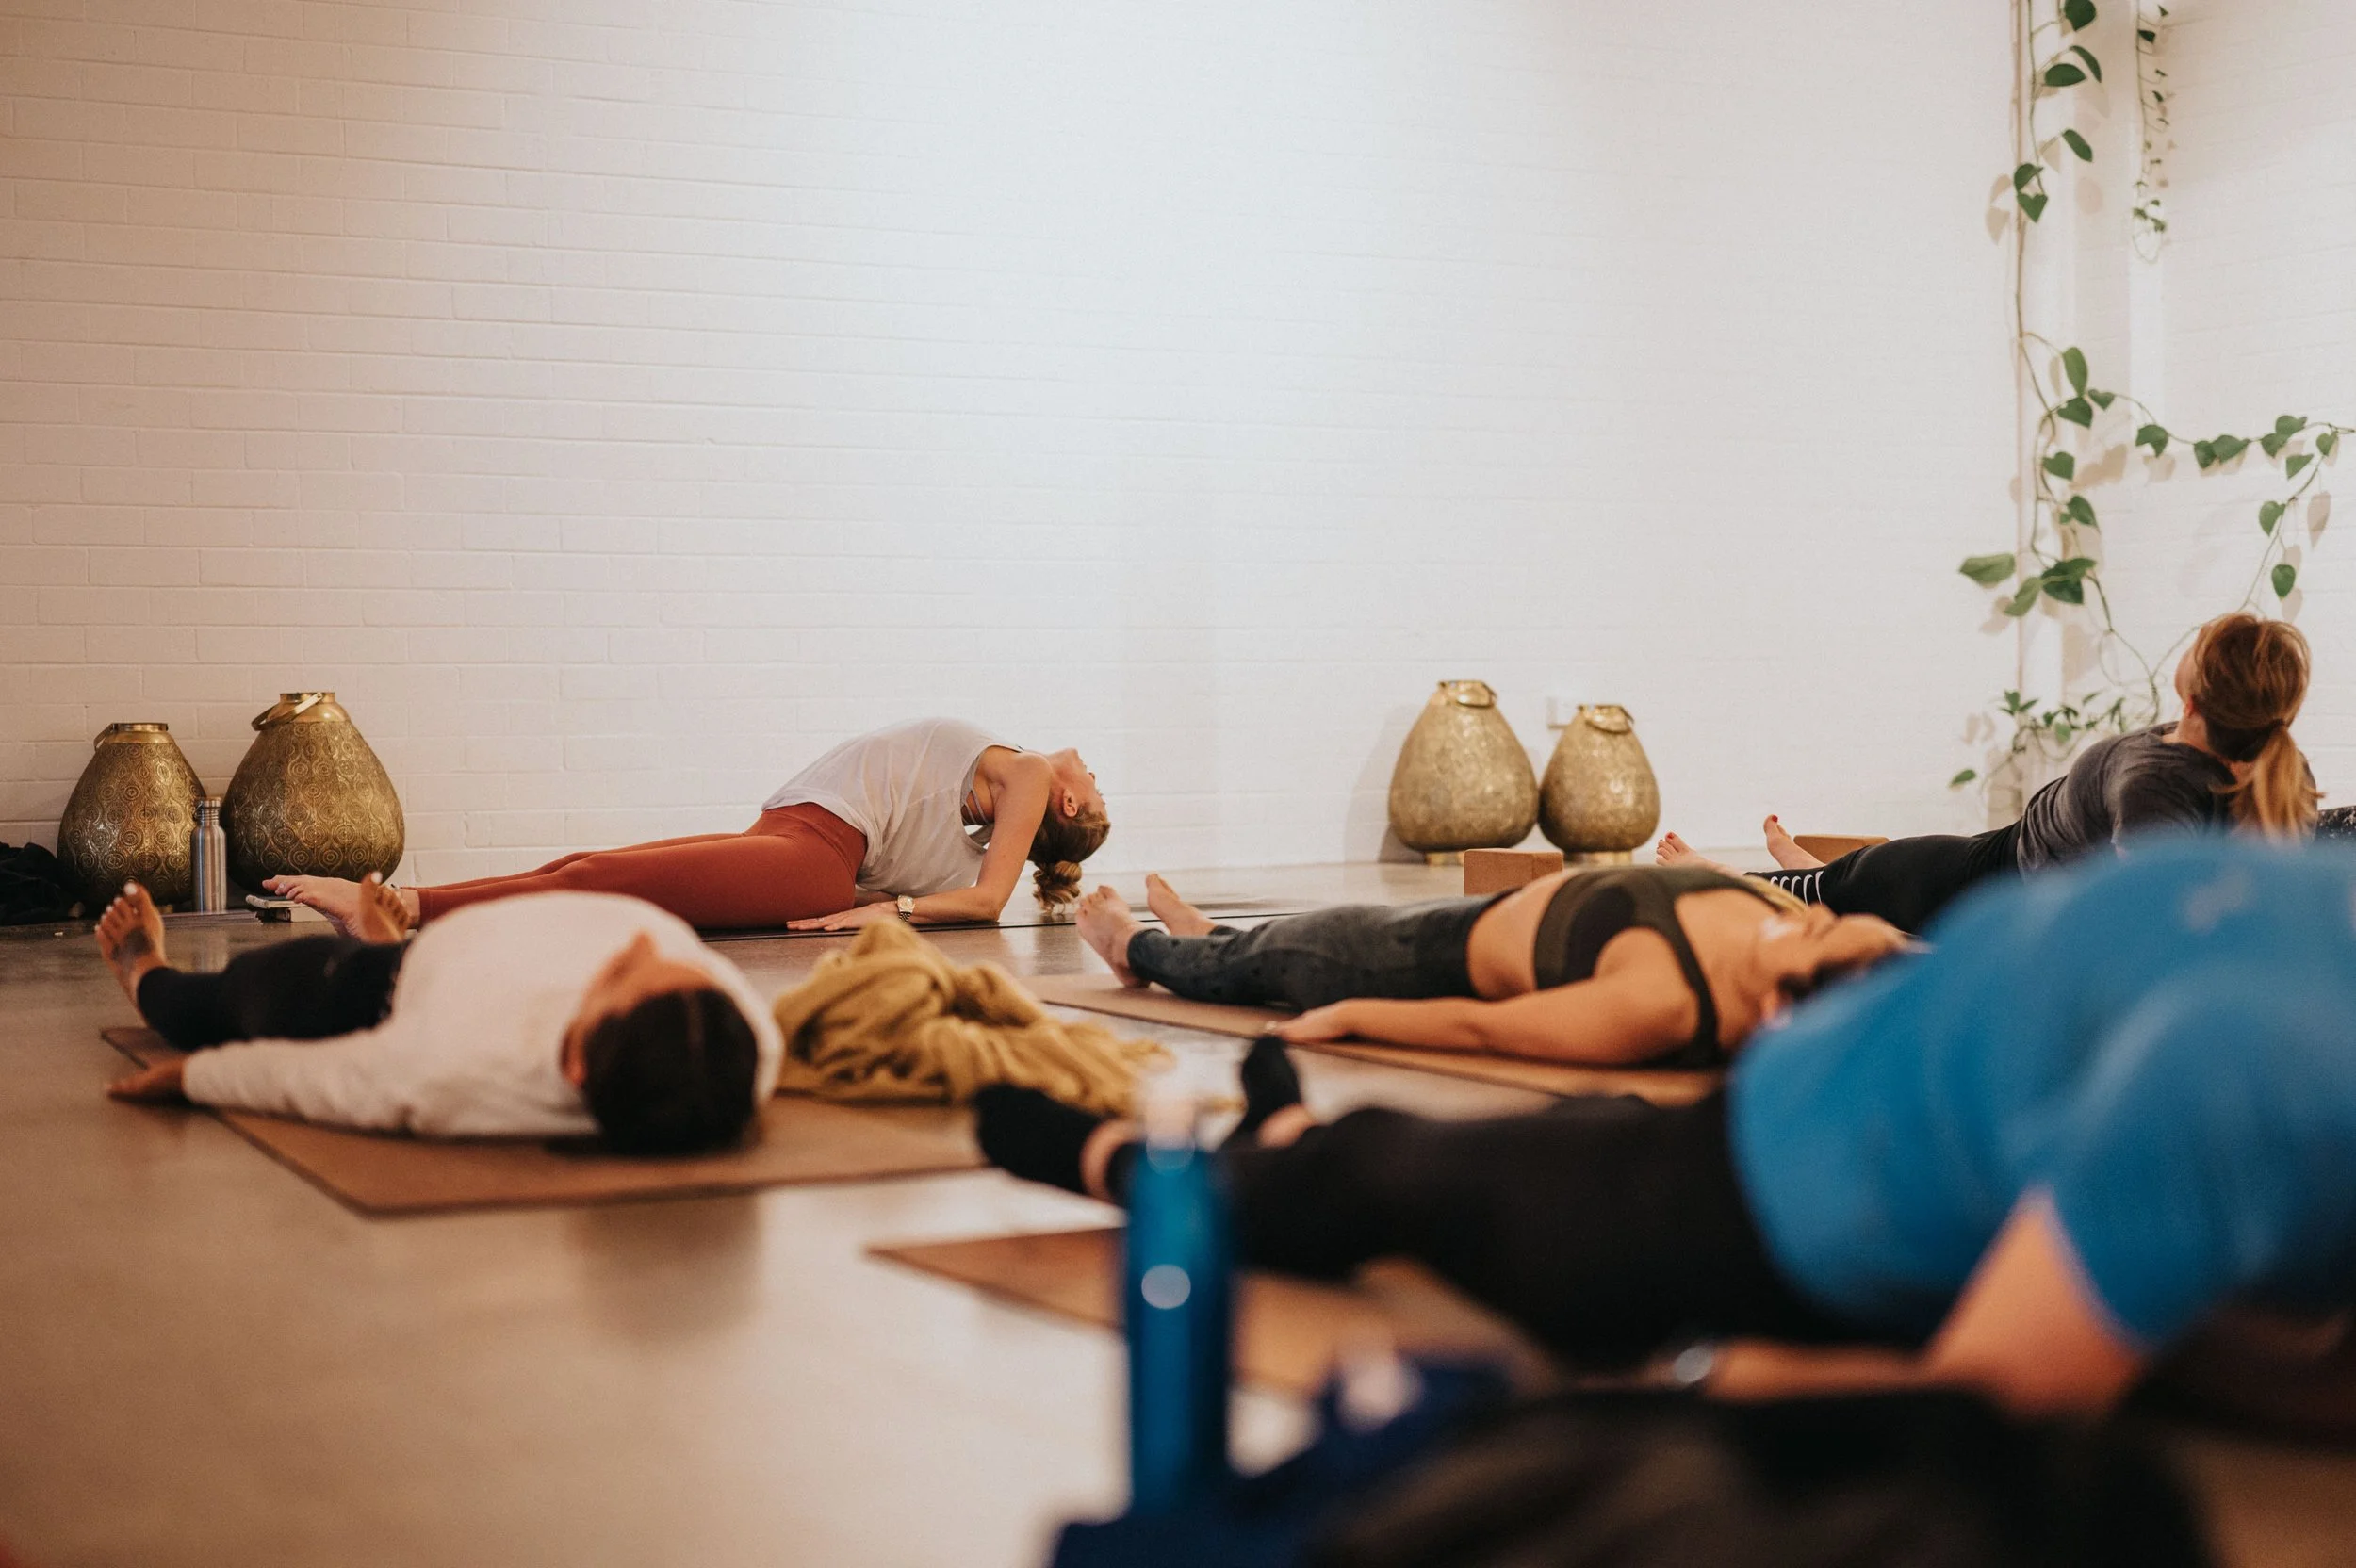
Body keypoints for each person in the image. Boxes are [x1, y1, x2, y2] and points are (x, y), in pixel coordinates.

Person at [980, 836, 2356, 1422]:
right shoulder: (2255, 1060)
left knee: (1390, 1160)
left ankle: (1172, 1149)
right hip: (1770, 1155)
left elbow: (1993, 1390)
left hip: (1785, 1183)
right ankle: (1182, 1128)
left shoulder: (2237, 1077)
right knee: (1416, 1150)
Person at [1657, 612, 2320, 932]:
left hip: (1976, 888)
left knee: (1834, 895)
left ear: (2194, 692)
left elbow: (2143, 905)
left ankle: (1731, 878)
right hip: (1994, 860)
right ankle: (1805, 867)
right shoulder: (2271, 760)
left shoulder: (2155, 780)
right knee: (1845, 879)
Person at [96, 875, 780, 1152]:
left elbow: (314, 1079)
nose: (637, 943)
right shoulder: (742, 1049)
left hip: (385, 990)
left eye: (623, 972)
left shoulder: (453, 1072)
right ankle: (393, 936)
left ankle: (145, 970)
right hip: (471, 968)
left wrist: (193, 1080)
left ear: (574, 1064)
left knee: (225, 999)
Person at [263, 717, 1110, 934]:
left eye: (1096, 787)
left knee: (600, 883)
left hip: (814, 854)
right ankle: (404, 909)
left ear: (1064, 805)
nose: (1090, 768)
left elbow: (993, 901)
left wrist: (892, 913)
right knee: (588, 866)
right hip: (795, 841)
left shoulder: (1031, 769)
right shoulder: (970, 829)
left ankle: (403, 908)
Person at [1070, 866, 1907, 1069]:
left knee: (1282, 959)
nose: (1818, 915)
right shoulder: (1793, 930)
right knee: (1288, 938)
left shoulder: (1662, 1002)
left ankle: (1138, 948)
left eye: (1822, 933)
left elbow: (1484, 1026)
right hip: (1481, 915)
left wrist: (1356, 1018)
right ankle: (1213, 930)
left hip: (1426, 965)